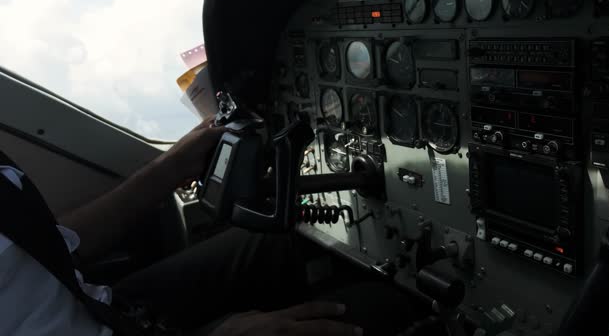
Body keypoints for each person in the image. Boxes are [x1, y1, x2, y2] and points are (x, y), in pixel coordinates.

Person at [0, 119, 365, 336]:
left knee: (288, 240)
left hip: (104, 309)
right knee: (370, 313)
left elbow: (44, 244)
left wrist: (173, 167)